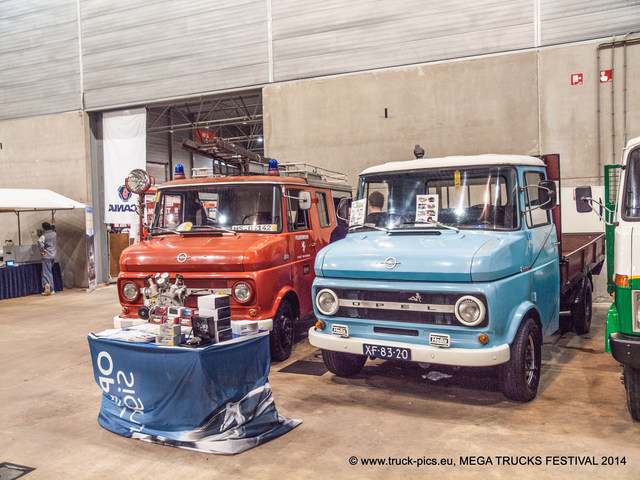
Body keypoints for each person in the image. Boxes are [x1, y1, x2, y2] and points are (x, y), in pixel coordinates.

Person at [38, 222, 57, 295]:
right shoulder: (54, 233)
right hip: (53, 255)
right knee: (48, 271)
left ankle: (50, 288)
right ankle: (47, 287)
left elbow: (39, 241)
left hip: (47, 256)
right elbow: (54, 229)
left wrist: (42, 250)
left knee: (46, 273)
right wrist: (53, 223)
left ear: (43, 228)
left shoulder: (44, 235)